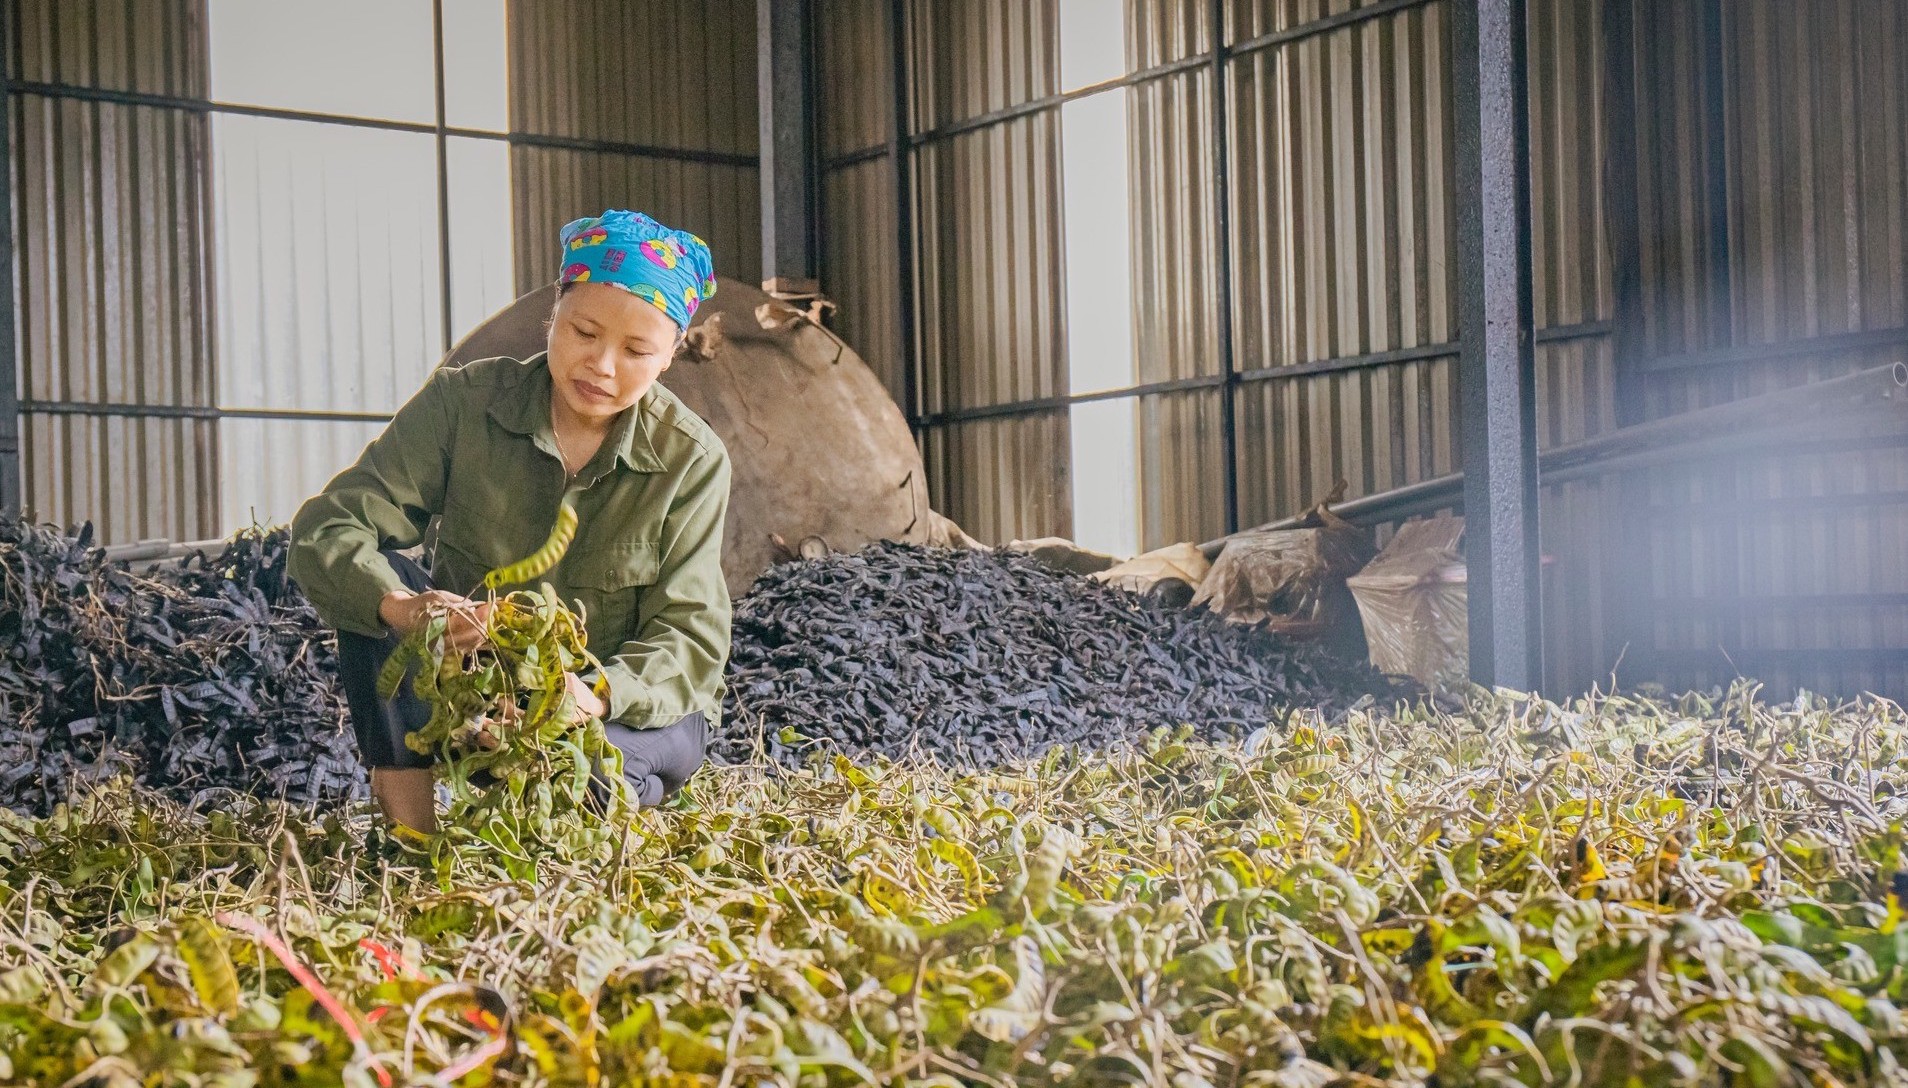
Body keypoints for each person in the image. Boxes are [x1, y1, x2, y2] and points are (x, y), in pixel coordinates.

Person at [289, 210, 731, 832]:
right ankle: (411, 839)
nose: (602, 365)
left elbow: (689, 635)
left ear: (668, 359)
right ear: (554, 313)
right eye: (584, 331)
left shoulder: (691, 460)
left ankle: (606, 802)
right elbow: (328, 528)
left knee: (585, 774)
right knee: (375, 588)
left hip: (620, 709)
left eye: (636, 351)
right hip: (476, 693)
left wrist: (591, 694)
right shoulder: (464, 405)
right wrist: (402, 608)